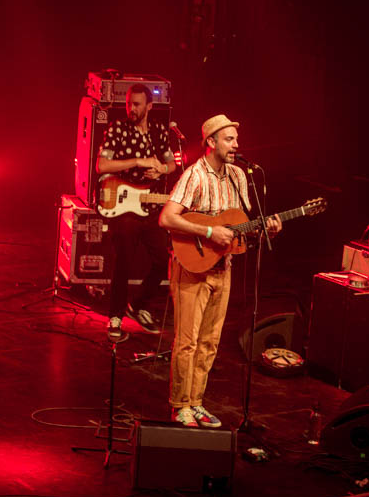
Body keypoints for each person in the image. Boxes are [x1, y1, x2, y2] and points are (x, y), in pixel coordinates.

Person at [159, 115, 281, 428]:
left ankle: (196, 402)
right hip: (192, 268)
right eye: (229, 139)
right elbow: (167, 218)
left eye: (236, 139)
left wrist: (265, 229)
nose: (236, 145)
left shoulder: (239, 176)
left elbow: (241, 225)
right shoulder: (195, 175)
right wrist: (209, 232)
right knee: (187, 342)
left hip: (222, 267)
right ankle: (179, 405)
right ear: (211, 142)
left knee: (209, 342)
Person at [96, 83, 175, 338]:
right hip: (123, 204)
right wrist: (139, 161)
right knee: (124, 261)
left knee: (164, 261)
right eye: (129, 103)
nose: (132, 108)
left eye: (137, 104)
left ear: (149, 106)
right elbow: (102, 165)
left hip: (150, 205)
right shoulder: (118, 128)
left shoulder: (159, 131)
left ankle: (138, 305)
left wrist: (161, 170)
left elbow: (171, 164)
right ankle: (115, 316)